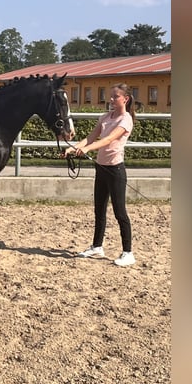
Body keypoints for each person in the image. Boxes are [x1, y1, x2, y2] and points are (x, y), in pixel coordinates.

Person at [64, 83, 136, 266]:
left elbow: (108, 139)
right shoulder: (105, 117)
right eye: (110, 96)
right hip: (101, 168)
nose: (110, 100)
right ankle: (97, 246)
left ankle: (128, 252)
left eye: (115, 97)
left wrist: (87, 148)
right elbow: (91, 137)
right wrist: (73, 148)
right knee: (99, 210)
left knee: (120, 212)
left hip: (115, 169)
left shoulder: (126, 120)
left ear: (125, 99)